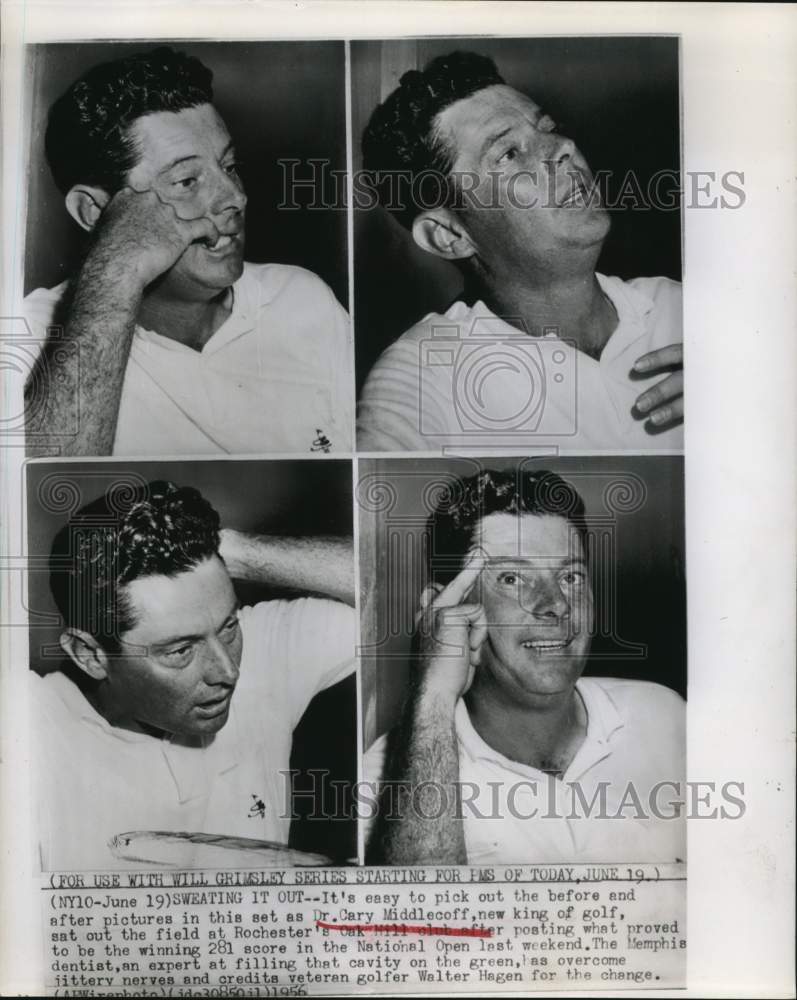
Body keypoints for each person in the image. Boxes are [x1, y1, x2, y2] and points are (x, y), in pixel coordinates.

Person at [24, 47, 353, 456]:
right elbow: (40, 494)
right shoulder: (32, 333)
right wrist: (117, 268)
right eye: (186, 181)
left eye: (229, 166)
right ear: (94, 211)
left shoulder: (303, 299)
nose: (235, 197)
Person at [357, 51, 683, 452]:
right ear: (449, 234)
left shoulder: (681, 308)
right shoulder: (423, 376)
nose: (563, 146)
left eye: (549, 128)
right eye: (509, 153)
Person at [364, 469, 685, 865]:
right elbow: (418, 919)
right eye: (513, 578)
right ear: (444, 610)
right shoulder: (383, 776)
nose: (556, 604)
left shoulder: (665, 716)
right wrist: (432, 695)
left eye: (570, 576)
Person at [31, 480, 355, 870]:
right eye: (181, 651)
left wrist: (235, 552)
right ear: (90, 655)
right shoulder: (31, 731)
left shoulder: (267, 650)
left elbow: (395, 588)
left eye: (229, 627)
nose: (229, 671)